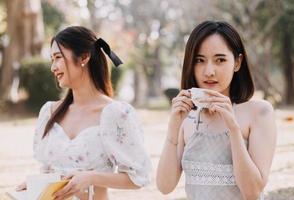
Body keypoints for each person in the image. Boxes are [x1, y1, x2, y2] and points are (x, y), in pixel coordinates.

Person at [16, 26, 151, 200]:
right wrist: (37, 185)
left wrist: (91, 178)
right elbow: (49, 171)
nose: (53, 68)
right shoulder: (49, 112)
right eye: (52, 59)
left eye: (58, 57)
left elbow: (138, 177)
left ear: (84, 57)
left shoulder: (115, 114)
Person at [156, 21, 277, 200]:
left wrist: (233, 129)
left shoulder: (259, 112)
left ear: (237, 62)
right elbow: (165, 187)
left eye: (220, 60)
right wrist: (173, 128)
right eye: (199, 60)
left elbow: (252, 192)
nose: (209, 71)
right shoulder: (187, 119)